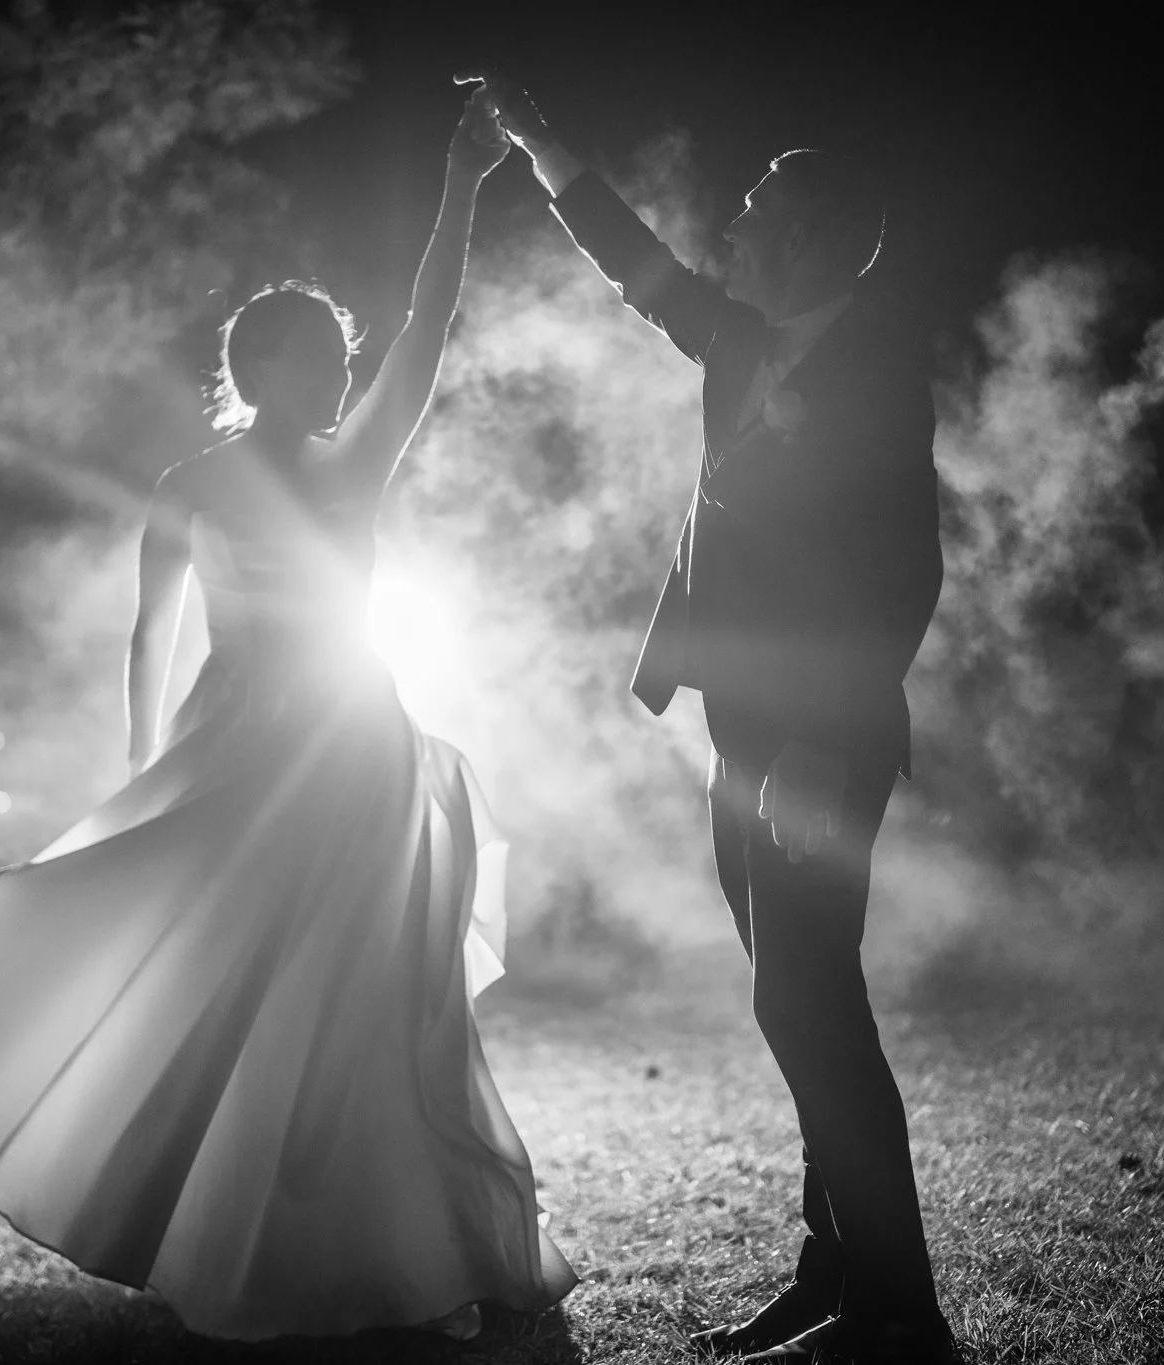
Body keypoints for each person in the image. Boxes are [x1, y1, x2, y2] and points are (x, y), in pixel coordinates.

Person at [0, 88, 575, 1345]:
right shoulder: (193, 485)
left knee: (369, 1000)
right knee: (231, 993)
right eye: (318, 359)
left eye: (342, 359)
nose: (342, 373)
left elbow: (429, 321)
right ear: (256, 372)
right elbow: (146, 635)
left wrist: (461, 183)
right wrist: (140, 782)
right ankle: (259, 1238)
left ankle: (405, 1244)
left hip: (347, 748)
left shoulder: (351, 463)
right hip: (238, 742)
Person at [458, 72, 954, 1365]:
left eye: (752, 213)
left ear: (806, 238)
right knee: (795, 997)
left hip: (819, 743)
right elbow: (640, 266)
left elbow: (901, 581)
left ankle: (900, 1314)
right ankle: (833, 1269)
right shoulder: (740, 337)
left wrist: (816, 749)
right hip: (743, 729)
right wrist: (546, 143)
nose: (731, 230)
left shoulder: (879, 373)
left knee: (809, 1006)